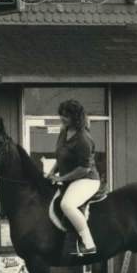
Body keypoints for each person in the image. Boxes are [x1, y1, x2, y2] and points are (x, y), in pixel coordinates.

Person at [45, 99, 101, 256]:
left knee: (67, 205)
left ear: (76, 118)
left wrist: (61, 179)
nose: (62, 118)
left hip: (87, 180)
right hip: (69, 179)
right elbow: (61, 156)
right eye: (61, 115)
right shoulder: (64, 132)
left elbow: (84, 169)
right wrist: (52, 172)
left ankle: (88, 244)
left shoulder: (84, 139)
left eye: (66, 116)